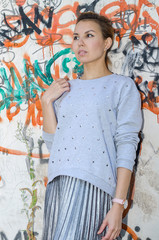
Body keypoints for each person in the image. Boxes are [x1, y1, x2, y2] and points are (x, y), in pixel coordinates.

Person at [41, 11, 142, 240]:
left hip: (94, 187)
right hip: (59, 185)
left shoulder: (121, 86)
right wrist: (47, 101)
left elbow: (127, 144)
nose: (80, 43)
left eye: (88, 35)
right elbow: (53, 145)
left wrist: (118, 204)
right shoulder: (64, 89)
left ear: (107, 43)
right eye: (76, 37)